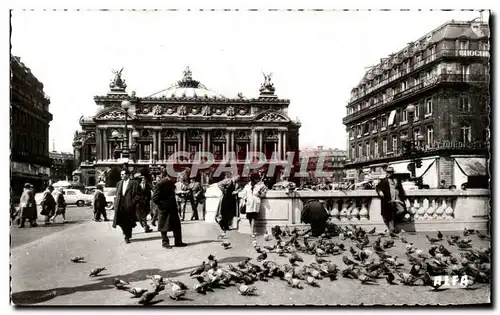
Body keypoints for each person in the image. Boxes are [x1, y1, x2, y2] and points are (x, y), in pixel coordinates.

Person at [151, 170, 187, 249]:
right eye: (174, 176)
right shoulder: (160, 184)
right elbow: (154, 198)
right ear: (168, 175)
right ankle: (165, 242)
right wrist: (163, 206)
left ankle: (178, 241)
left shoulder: (171, 183)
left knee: (176, 225)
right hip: (164, 209)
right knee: (164, 227)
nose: (175, 178)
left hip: (172, 208)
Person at [112, 169, 143, 244]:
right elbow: (117, 194)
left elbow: (139, 194)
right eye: (121, 174)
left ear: (128, 175)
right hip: (120, 205)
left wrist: (133, 202)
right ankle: (125, 231)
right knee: (120, 221)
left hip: (129, 205)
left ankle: (127, 236)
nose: (121, 176)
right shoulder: (119, 183)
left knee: (128, 221)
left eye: (123, 174)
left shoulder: (134, 183)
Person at [375, 166, 407, 235]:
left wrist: (402, 195)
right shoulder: (384, 180)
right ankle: (392, 230)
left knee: (402, 210)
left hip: (397, 198)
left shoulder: (397, 179)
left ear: (392, 173)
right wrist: (380, 191)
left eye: (390, 172)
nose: (388, 173)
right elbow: (377, 187)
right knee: (390, 214)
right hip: (389, 199)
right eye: (387, 172)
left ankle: (395, 220)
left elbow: (400, 188)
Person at [241, 172, 268, 238]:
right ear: (253, 179)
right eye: (256, 179)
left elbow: (263, 193)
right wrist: (245, 198)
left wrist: (259, 194)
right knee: (250, 218)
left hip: (255, 203)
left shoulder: (261, 185)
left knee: (253, 218)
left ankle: (252, 232)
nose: (258, 180)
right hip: (249, 203)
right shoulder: (247, 185)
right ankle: (252, 231)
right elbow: (243, 193)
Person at [216, 173, 241, 239]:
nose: (238, 179)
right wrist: (224, 190)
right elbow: (219, 184)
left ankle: (226, 226)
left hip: (231, 199)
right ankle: (223, 225)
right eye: (238, 178)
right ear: (234, 177)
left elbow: (240, 188)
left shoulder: (236, 183)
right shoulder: (228, 181)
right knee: (224, 211)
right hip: (226, 198)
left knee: (229, 213)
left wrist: (236, 191)